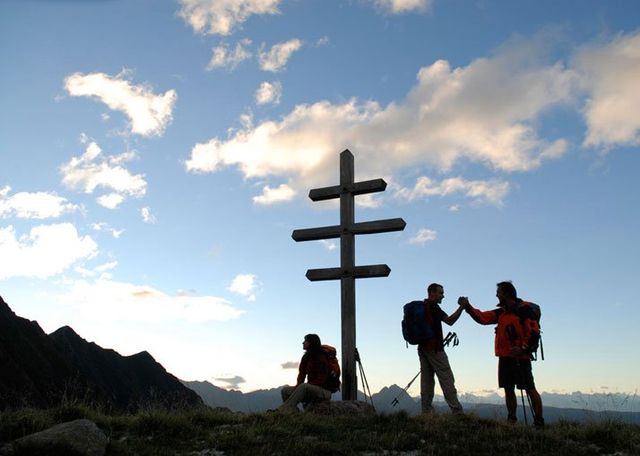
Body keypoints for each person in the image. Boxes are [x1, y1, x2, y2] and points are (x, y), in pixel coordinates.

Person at [459, 281, 545, 426]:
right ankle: (512, 419)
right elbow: (483, 318)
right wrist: (468, 307)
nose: (496, 294)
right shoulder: (502, 312)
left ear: (506, 294)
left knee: (529, 388)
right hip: (505, 356)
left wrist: (523, 348)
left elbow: (534, 331)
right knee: (509, 388)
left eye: (498, 292)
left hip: (520, 356)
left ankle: (538, 421)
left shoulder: (523, 310)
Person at [418, 283, 465, 415]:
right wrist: (462, 307)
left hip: (422, 348)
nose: (443, 296)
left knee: (426, 381)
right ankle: (457, 411)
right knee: (446, 378)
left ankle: (426, 412)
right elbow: (450, 321)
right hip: (435, 349)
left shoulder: (423, 306)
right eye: (441, 293)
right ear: (432, 293)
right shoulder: (433, 307)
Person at [279, 334, 336, 412]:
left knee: (304, 387)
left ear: (311, 343)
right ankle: (293, 414)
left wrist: (305, 387)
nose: (303, 342)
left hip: (324, 391)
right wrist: (298, 387)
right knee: (285, 391)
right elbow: (301, 374)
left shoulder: (322, 358)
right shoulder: (306, 357)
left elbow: (322, 379)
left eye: (305, 341)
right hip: (311, 389)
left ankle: (282, 410)